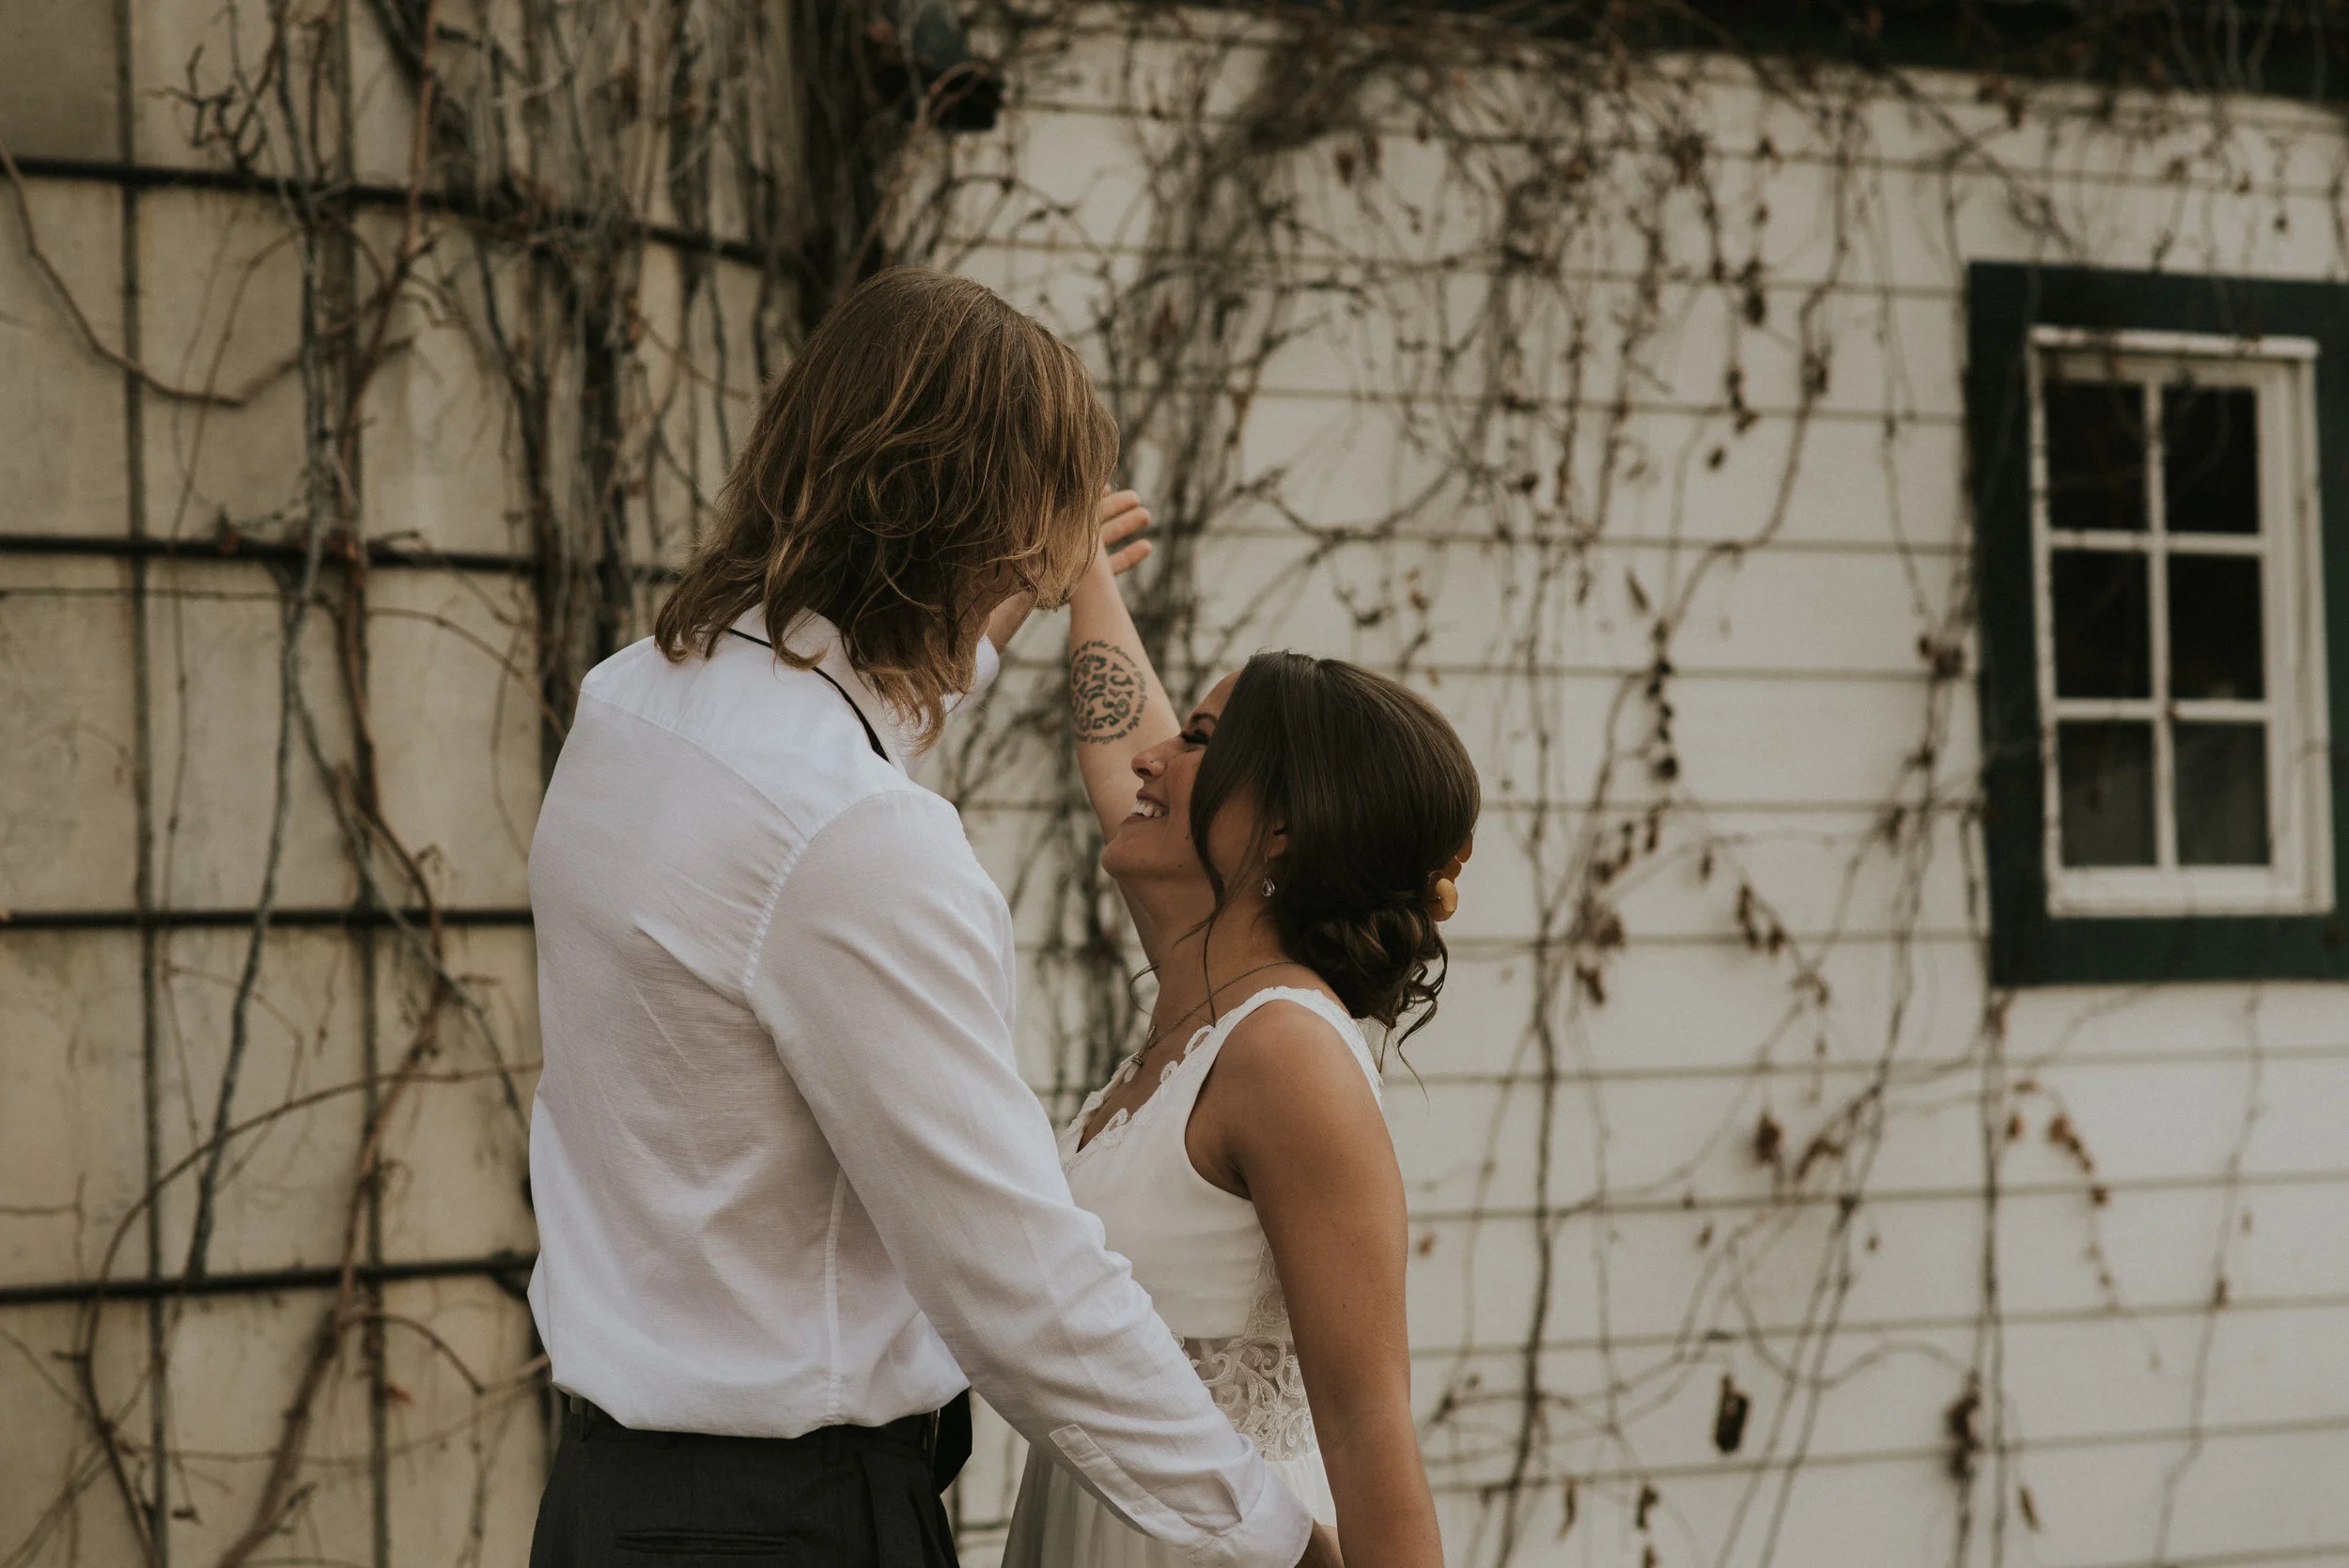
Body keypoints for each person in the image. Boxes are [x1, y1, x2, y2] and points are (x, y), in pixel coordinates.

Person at [522, 267, 1336, 1568]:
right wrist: (1283, 1540)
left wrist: (1045, 589)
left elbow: (842, 729)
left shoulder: (630, 707)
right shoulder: (853, 839)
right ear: (990, 542)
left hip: (608, 1506)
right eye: (1033, 547)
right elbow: (1017, 1281)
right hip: (789, 1530)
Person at [1000, 520, 1479, 1567]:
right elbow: (1125, 749)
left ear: (1282, 829)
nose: (1155, 757)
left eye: (1202, 741)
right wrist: (1081, 574)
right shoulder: (1205, 990)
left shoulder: (1286, 1054)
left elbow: (1369, 1429)